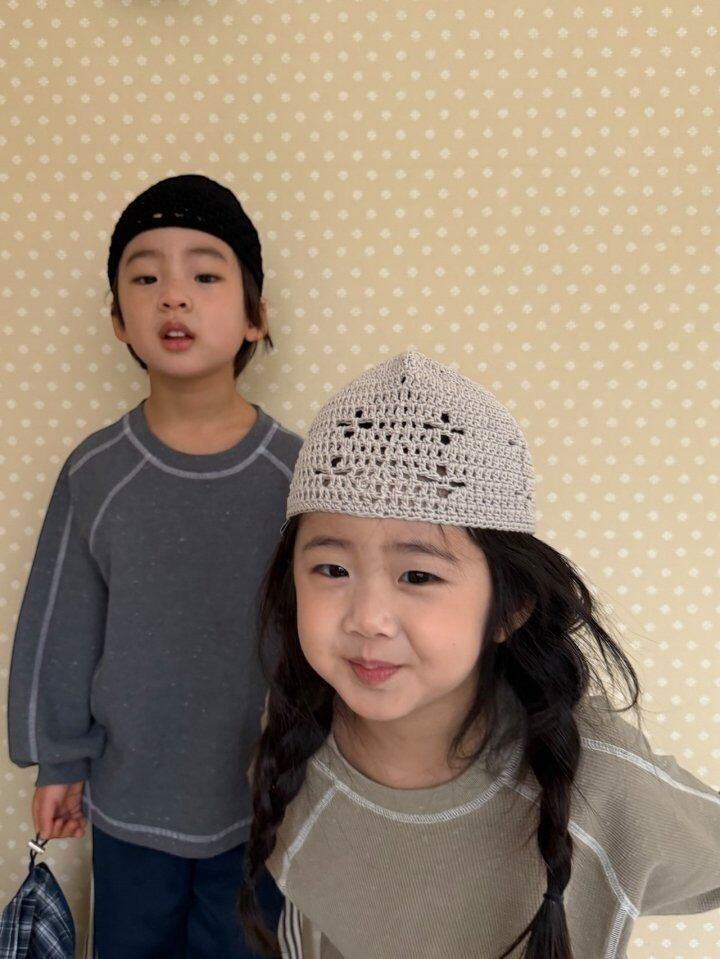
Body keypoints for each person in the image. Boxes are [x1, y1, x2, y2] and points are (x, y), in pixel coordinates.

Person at [239, 350, 720, 959]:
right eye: (332, 569)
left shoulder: (601, 781)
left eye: (418, 576)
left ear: (510, 606)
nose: (367, 619)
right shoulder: (292, 731)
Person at [8, 174, 301, 958]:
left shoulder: (300, 476)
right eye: (144, 278)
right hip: (129, 805)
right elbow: (62, 623)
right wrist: (58, 760)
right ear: (118, 320)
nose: (174, 295)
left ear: (255, 315)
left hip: (264, 809)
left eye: (205, 274)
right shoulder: (96, 471)